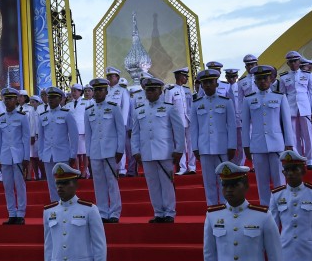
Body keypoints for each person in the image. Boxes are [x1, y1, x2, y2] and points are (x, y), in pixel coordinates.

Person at [131, 77, 184, 223]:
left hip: (165, 151)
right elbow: (135, 132)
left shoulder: (169, 107)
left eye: (153, 90)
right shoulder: (139, 110)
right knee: (153, 184)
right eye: (148, 90)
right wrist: (135, 151)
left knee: (166, 183)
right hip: (146, 152)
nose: (150, 93)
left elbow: (178, 130)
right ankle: (158, 212)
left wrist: (179, 149)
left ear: (160, 91)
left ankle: (169, 212)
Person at [244, 65, 295, 207]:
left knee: (279, 179)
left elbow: (286, 122)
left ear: (271, 79)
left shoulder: (280, 97)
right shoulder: (249, 99)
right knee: (262, 181)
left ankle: (282, 206)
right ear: (254, 81)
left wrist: (289, 143)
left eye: (264, 78)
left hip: (277, 145)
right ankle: (265, 207)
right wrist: (246, 145)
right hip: (258, 145)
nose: (262, 82)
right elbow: (246, 125)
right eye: (258, 79)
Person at [190, 69, 239, 207]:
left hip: (222, 147)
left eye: (210, 82)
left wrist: (232, 146)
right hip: (204, 147)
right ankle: (211, 207)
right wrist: (195, 147)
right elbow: (194, 128)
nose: (207, 85)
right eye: (204, 83)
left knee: (223, 179)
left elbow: (231, 125)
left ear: (216, 84)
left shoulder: (226, 102)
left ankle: (226, 206)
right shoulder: (196, 103)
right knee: (208, 181)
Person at [84, 78, 125, 223]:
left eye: (100, 90)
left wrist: (120, 149)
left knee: (112, 182)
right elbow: (88, 135)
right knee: (99, 183)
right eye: (95, 90)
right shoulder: (89, 110)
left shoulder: (114, 107)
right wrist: (88, 154)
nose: (97, 93)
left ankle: (114, 212)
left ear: (106, 91)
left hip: (110, 150)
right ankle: (102, 212)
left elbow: (121, 130)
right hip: (95, 151)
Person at [37, 87, 79, 203]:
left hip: (62, 154)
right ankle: (55, 206)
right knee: (52, 183)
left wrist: (73, 154)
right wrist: (41, 154)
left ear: (60, 99)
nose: (50, 100)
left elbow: (74, 136)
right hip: (48, 155)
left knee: (64, 183)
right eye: (49, 97)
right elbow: (40, 137)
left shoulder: (66, 114)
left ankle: (67, 206)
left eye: (54, 97)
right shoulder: (42, 115)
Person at [0, 87, 30, 225]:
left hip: (18, 155)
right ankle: (11, 213)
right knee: (7, 186)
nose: (7, 101)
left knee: (20, 185)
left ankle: (21, 213)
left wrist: (26, 157)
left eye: (10, 99)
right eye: (6, 99)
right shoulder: (0, 119)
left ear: (16, 100)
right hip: (5, 156)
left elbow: (26, 138)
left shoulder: (22, 117)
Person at [279, 51, 312, 162]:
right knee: (293, 136)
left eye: (295, 61)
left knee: (308, 136)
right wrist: (283, 112)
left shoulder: (307, 75)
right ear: (288, 63)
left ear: (299, 61)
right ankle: (298, 159)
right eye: (290, 62)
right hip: (290, 109)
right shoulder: (284, 77)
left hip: (305, 108)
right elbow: (283, 96)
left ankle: (310, 160)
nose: (293, 64)